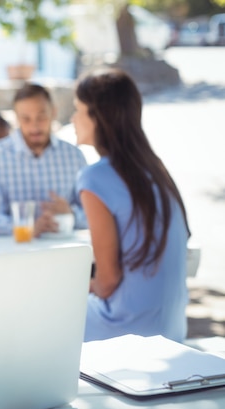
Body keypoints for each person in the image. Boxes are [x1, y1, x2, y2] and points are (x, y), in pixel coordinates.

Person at [73, 68, 190, 342]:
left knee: (50, 309)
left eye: (78, 109)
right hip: (173, 329)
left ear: (98, 117)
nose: (73, 118)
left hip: (128, 330)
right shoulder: (155, 170)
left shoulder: (94, 177)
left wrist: (77, 287)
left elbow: (107, 281)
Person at [0, 83, 88, 236]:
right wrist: (28, 229)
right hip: (15, 256)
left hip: (65, 253)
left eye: (41, 117)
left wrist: (72, 215)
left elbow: (93, 216)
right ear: (16, 119)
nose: (34, 127)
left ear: (53, 113)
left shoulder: (74, 156)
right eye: (26, 119)